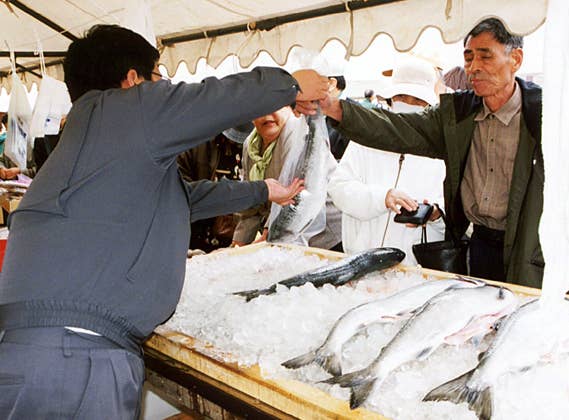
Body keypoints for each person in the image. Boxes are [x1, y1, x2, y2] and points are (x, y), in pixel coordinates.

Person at [0, 24, 328, 418]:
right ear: (134, 80)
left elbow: (180, 198)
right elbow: (216, 97)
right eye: (159, 78)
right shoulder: (124, 108)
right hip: (79, 360)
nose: (163, 87)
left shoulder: (88, 136)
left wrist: (262, 191)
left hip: (27, 351)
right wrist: (291, 84)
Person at [307, 18, 569, 296]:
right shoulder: (458, 115)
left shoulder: (552, 116)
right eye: (468, 57)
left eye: (485, 55)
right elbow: (398, 127)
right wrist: (336, 108)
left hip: (531, 251)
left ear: (515, 59)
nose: (474, 66)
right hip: (475, 248)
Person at [328, 57, 446, 265]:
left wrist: (435, 214)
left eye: (418, 100)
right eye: (402, 96)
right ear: (391, 99)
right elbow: (338, 188)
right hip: (359, 261)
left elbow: (456, 211)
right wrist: (382, 198)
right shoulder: (365, 138)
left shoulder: (441, 148)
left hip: (415, 268)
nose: (409, 105)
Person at [232, 105, 342, 250]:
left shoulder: (297, 133)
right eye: (260, 108)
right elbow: (251, 203)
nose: (267, 115)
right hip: (286, 235)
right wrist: (239, 242)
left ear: (289, 108)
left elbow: (293, 194)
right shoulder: (250, 145)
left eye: (275, 106)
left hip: (327, 235)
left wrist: (269, 236)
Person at [177, 123, 252, 252]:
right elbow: (178, 197)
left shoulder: (264, 140)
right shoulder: (193, 142)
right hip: (194, 245)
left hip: (245, 246)